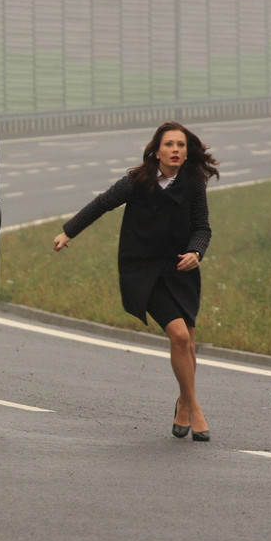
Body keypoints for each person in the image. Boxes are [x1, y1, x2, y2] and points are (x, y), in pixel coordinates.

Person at [52, 121, 219, 441]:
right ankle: (195, 407)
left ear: (187, 153)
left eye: (181, 146)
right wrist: (68, 231)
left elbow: (202, 228)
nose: (175, 150)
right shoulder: (137, 181)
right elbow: (102, 203)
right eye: (169, 145)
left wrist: (197, 252)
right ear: (156, 151)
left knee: (188, 342)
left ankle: (182, 405)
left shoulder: (194, 182)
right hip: (143, 270)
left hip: (181, 270)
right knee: (180, 336)